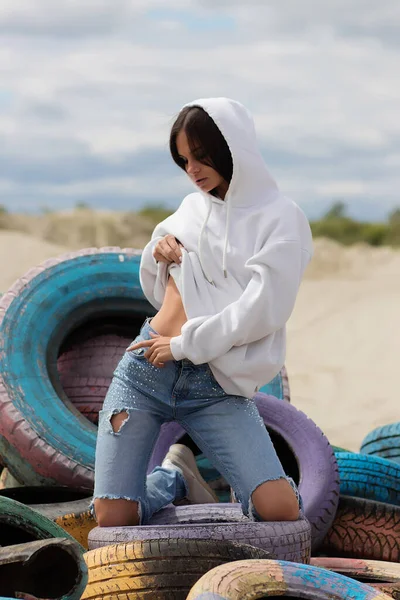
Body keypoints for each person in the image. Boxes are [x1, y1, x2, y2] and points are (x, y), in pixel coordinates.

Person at [92, 97, 313, 527]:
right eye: (183, 160)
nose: (192, 170)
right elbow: (161, 291)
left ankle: (182, 473)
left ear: (234, 147)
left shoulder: (283, 219)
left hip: (215, 382)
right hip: (146, 367)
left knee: (279, 510)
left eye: (202, 157)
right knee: (113, 515)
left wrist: (184, 345)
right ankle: (173, 478)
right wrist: (157, 253)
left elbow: (262, 310)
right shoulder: (192, 207)